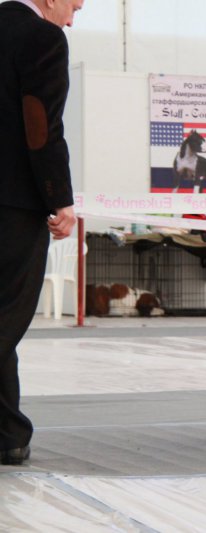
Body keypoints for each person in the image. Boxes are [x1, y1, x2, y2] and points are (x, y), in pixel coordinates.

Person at [0, 0, 82, 466]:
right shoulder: (42, 38)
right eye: (74, 5)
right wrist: (59, 198)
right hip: (12, 205)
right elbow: (41, 126)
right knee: (7, 317)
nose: (71, 18)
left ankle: (8, 433)